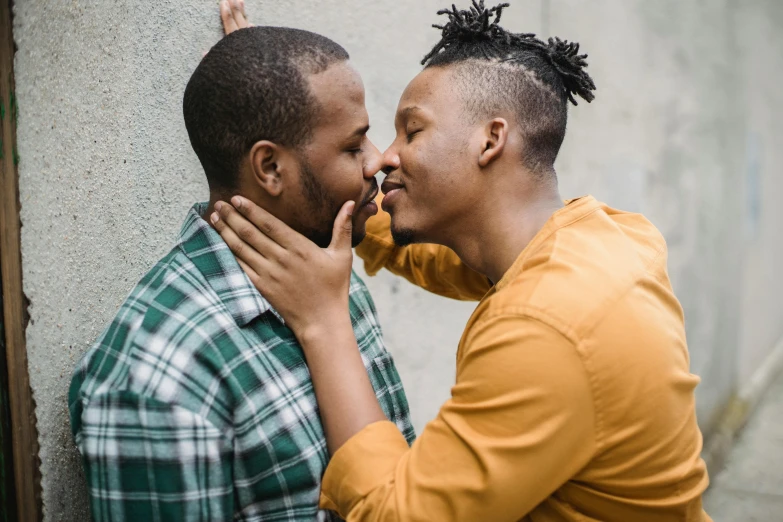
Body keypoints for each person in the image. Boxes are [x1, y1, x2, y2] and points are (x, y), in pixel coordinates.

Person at [212, 2, 713, 521]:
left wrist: (323, 320)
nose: (385, 156)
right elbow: (441, 260)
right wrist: (282, 121)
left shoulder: (549, 323)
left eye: (413, 130)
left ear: (490, 140)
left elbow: (396, 515)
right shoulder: (601, 241)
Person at [68, 20, 417, 522]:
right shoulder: (155, 381)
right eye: (352, 145)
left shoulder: (326, 270)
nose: (377, 161)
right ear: (270, 169)